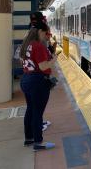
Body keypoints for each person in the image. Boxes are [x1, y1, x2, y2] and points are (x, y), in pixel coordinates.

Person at [19, 20, 56, 151]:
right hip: (38, 82)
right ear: (40, 31)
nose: (46, 36)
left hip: (26, 80)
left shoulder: (26, 44)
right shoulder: (38, 46)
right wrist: (53, 59)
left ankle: (28, 139)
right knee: (37, 113)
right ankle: (38, 143)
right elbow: (43, 66)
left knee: (30, 110)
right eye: (46, 33)